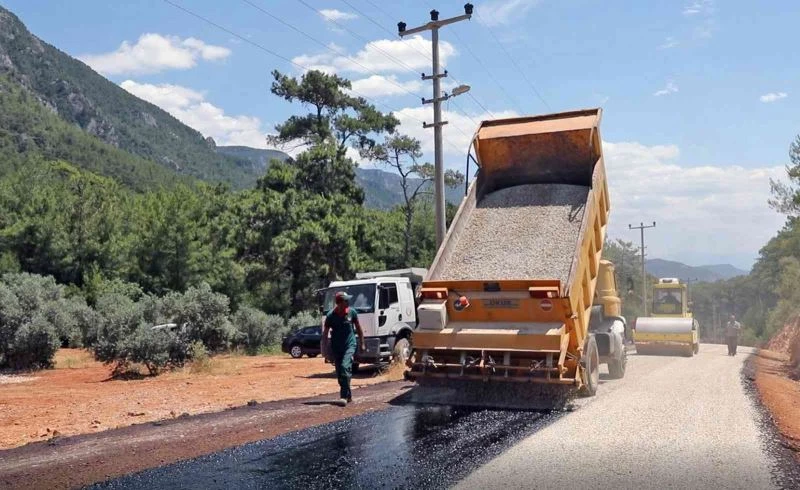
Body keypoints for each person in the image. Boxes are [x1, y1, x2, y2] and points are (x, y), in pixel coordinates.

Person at [323, 291, 365, 407]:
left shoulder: (352, 312)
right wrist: (325, 349)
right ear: (339, 303)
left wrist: (362, 344)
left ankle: (343, 396)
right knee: (340, 373)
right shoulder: (330, 316)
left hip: (350, 345)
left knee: (345, 367)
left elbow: (359, 329)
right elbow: (325, 334)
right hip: (336, 347)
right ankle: (348, 394)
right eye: (346, 300)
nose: (348, 302)